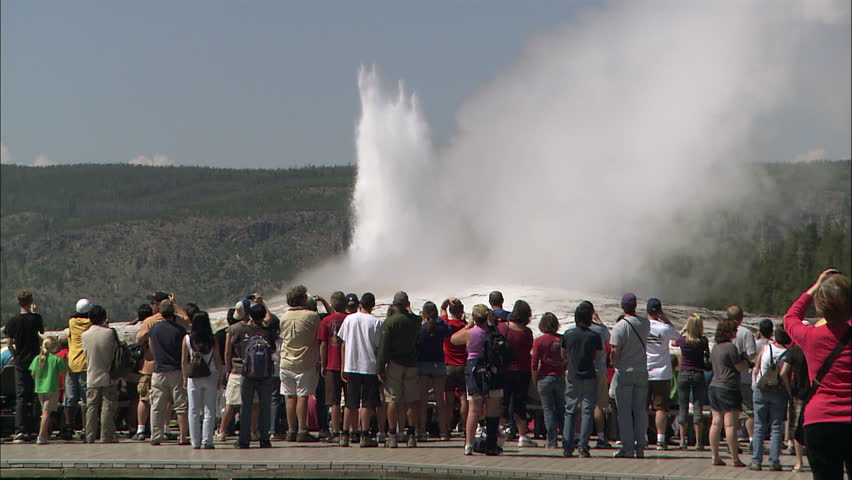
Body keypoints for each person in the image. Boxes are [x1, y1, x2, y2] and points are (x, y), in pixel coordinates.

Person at [783, 269, 851, 480]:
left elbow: (790, 317)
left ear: (821, 306)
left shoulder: (810, 336)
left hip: (820, 421)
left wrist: (815, 286)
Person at [136, 292, 190, 441]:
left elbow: (143, 341)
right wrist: (175, 304)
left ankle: (155, 435)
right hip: (176, 369)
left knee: (156, 404)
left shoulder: (152, 325)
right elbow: (186, 320)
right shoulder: (180, 328)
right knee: (180, 405)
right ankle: (183, 436)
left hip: (157, 369)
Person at [451, 304, 503, 456]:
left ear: (474, 318)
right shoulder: (493, 332)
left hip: (475, 369)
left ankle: (469, 444)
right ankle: (492, 445)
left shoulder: (471, 333)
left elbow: (453, 339)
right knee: (492, 409)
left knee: (474, 409)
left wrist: (468, 325)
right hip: (492, 370)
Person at [337, 292, 383, 448]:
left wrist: (343, 365)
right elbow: (377, 346)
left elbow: (343, 343)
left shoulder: (349, 319)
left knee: (350, 403)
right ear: (373, 306)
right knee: (367, 403)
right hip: (369, 365)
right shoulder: (376, 322)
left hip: (352, 364)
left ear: (360, 304)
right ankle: (364, 434)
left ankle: (344, 435)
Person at [230, 303, 277, 448]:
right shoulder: (268, 332)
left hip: (247, 373)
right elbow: (273, 350)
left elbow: (235, 346)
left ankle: (244, 439)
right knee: (265, 405)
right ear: (263, 316)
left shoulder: (244, 331)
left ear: (250, 315)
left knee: (246, 406)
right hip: (265, 373)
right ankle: (264, 438)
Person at [377, 291, 421, 448]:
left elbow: (384, 347)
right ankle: (411, 436)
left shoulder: (390, 322)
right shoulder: (416, 320)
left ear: (394, 304)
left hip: (395, 363)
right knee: (411, 401)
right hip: (411, 364)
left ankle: (392, 435)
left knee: (393, 399)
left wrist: (380, 367)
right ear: (407, 304)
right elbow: (415, 318)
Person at [609, 293, 650, 458]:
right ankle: (640, 447)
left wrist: (614, 363)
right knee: (640, 411)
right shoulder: (645, 323)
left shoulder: (620, 326)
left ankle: (627, 448)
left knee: (624, 412)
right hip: (642, 371)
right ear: (635, 305)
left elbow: (614, 351)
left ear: (622, 306)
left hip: (625, 371)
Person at [279, 285, 321, 443]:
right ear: (303, 299)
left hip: (286, 361)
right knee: (302, 396)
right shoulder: (311, 316)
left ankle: (291, 430)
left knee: (290, 397)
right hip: (305, 360)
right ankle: (302, 430)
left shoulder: (284, 317)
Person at [561, 302, 603, 457]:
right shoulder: (594, 336)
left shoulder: (568, 334)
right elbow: (596, 357)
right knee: (587, 411)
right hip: (589, 375)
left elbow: (563, 355)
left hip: (572, 375)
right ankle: (583, 447)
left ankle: (567, 446)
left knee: (570, 410)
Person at [4, 289, 45, 442]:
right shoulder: (36, 319)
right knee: (35, 394)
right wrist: (34, 312)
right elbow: (40, 334)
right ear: (31, 301)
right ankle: (34, 428)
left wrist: (15, 356)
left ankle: (20, 429)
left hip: (20, 360)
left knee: (21, 395)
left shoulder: (13, 321)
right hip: (35, 360)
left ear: (18, 302)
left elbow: (9, 344)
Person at [749, 325, 791, 471]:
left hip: (762, 389)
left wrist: (756, 382)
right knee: (776, 427)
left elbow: (757, 367)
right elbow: (786, 374)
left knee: (759, 425)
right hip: (778, 391)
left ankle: (756, 461)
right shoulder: (788, 353)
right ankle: (774, 461)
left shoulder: (766, 348)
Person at [708, 319, 748, 467]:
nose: (736, 333)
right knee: (730, 425)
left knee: (716, 423)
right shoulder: (731, 347)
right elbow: (740, 367)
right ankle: (735, 458)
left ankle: (715, 456)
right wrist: (745, 360)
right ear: (729, 332)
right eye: (734, 330)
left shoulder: (715, 347)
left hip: (714, 386)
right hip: (729, 387)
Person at [645, 298, 683, 450]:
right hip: (662, 372)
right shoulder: (665, 328)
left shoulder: (643, 327)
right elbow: (679, 337)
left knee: (642, 407)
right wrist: (666, 320)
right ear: (659, 311)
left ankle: (643, 438)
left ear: (647, 311)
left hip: (645, 371)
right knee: (661, 408)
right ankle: (661, 439)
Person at [498, 299, 536, 448]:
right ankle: (522, 436)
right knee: (520, 404)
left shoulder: (502, 328)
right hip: (522, 371)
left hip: (504, 370)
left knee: (503, 403)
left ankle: (499, 432)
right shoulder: (527, 332)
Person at [181, 312, 222, 449]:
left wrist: (185, 378)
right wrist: (220, 377)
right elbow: (217, 360)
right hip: (210, 375)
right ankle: (207, 440)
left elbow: (183, 361)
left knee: (193, 410)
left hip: (193, 376)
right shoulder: (212, 339)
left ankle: (195, 442)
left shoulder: (187, 339)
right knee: (209, 410)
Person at [81, 305, 118, 444]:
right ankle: (106, 436)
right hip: (108, 375)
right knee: (107, 407)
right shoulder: (109, 333)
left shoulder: (84, 335)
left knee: (91, 408)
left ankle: (89, 435)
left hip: (91, 375)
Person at [674, 313, 710, 450]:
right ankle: (698, 442)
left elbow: (673, 341)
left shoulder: (683, 340)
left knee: (682, 407)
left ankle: (683, 441)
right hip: (698, 374)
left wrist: (683, 329)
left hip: (684, 374)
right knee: (697, 408)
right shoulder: (703, 341)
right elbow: (708, 356)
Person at [416, 301, 450, 441]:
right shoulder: (441, 328)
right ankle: (443, 432)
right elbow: (449, 330)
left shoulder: (421, 329)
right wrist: (441, 318)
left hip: (423, 363)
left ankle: (422, 432)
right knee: (439, 401)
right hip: (439, 364)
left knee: (423, 401)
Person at [317, 291, 348, 442]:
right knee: (350, 401)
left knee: (334, 401)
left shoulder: (326, 321)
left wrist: (323, 364)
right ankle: (350, 431)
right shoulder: (349, 319)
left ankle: (336, 432)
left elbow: (323, 345)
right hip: (349, 364)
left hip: (331, 364)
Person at [531, 312, 564, 449]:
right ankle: (567, 439)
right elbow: (566, 359)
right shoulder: (562, 339)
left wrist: (535, 380)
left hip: (544, 377)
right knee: (562, 409)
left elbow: (534, 363)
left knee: (548, 410)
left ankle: (551, 441)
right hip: (560, 377)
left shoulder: (539, 341)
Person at [28, 336, 67, 444]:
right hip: (52, 387)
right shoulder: (56, 359)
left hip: (40, 388)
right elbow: (64, 373)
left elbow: (32, 373)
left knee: (44, 412)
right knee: (47, 413)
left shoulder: (37, 359)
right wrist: (63, 385)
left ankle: (45, 434)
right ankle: (41, 436)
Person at [729, 305, 757, 448]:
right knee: (749, 411)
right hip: (744, 376)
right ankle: (752, 440)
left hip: (728, 377)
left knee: (732, 412)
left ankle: (734, 441)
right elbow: (752, 354)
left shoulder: (723, 332)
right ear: (741, 318)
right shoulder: (746, 333)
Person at [63, 298, 91, 441]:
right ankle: (87, 427)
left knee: (70, 397)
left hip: (72, 363)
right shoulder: (91, 324)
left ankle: (68, 426)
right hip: (86, 364)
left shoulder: (72, 323)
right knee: (86, 399)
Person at [442, 298, 468, 437]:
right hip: (463, 365)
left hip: (449, 365)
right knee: (464, 398)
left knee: (449, 399)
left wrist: (447, 301)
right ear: (462, 311)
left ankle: (447, 429)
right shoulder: (466, 326)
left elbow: (442, 310)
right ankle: (464, 427)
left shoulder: (446, 324)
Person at [780, 342, 808, 472]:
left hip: (798, 393)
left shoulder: (794, 350)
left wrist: (789, 390)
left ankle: (799, 462)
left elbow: (783, 372)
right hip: (816, 392)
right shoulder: (816, 348)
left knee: (797, 428)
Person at [586, 307, 612, 449]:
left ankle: (579, 437)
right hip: (599, 371)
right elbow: (609, 338)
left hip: (580, 371)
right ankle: (601, 438)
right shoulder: (600, 329)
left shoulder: (573, 329)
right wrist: (598, 320)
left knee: (580, 405)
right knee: (598, 406)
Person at [124, 303, 151, 440]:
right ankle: (145, 426)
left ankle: (132, 427)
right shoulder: (147, 328)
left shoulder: (128, 329)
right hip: (143, 367)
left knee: (133, 400)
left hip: (130, 368)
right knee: (145, 399)